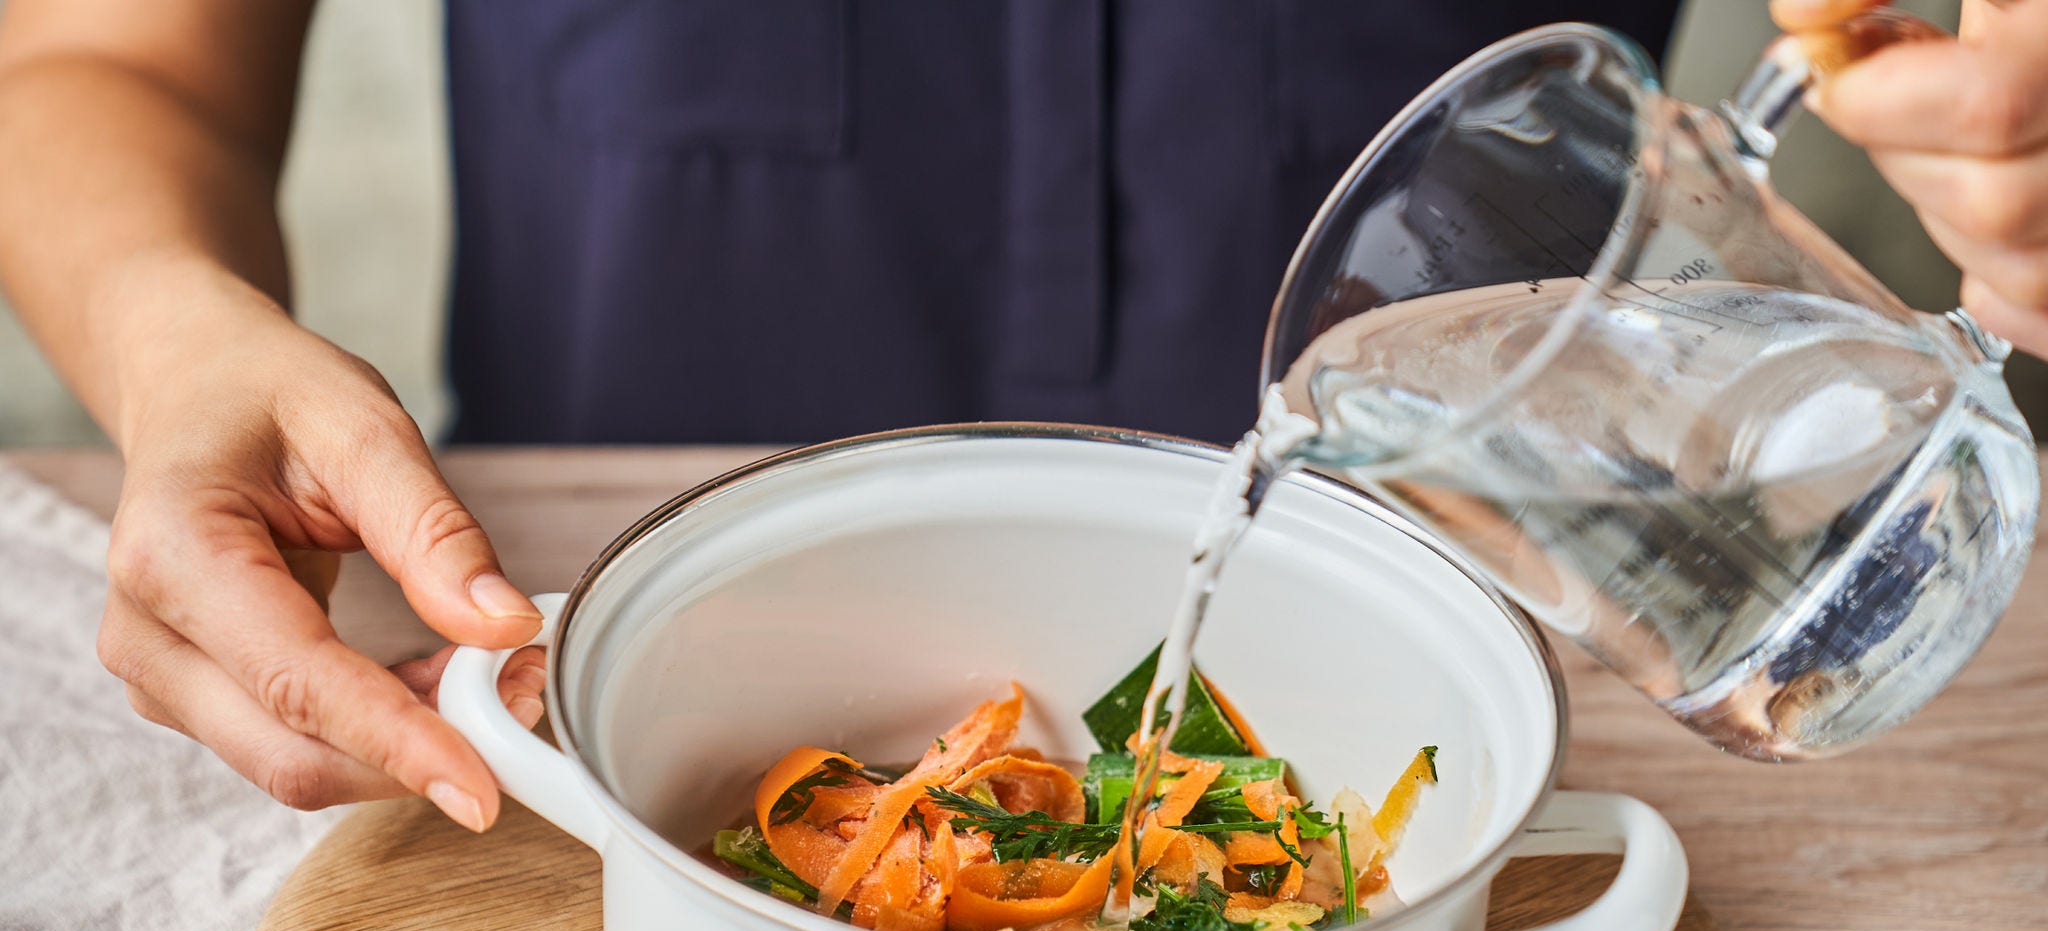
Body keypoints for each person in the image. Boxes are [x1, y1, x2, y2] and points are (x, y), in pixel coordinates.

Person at [0, 1, 2038, 832]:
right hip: (559, 664)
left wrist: (1998, 130)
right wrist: (174, 344)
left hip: (1532, 668)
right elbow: (102, 58)